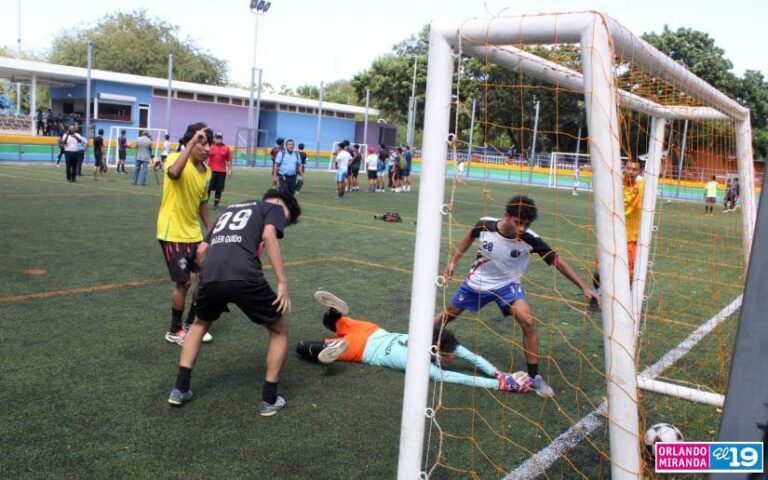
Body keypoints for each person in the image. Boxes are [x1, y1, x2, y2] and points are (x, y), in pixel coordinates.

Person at [435, 195, 598, 398]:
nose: (521, 228)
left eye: (526, 224)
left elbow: (557, 261)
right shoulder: (485, 225)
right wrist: (453, 262)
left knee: (528, 321)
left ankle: (534, 378)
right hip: (477, 283)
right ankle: (417, 339)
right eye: (518, 222)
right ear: (507, 216)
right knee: (448, 315)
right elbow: (469, 235)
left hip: (507, 285)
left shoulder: (530, 239)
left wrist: (583, 286)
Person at [167, 189, 302, 416]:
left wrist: (202, 280)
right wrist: (282, 281)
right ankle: (269, 400)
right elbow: (269, 235)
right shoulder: (274, 208)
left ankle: (180, 388)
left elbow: (202, 250)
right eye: (286, 220)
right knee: (279, 329)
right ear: (280, 203)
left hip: (211, 275)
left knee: (200, 324)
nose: (282, 226)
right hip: (245, 275)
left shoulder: (230, 209)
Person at [297, 291, 534, 392]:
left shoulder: (434, 338)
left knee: (331, 325)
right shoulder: (423, 366)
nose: (452, 357)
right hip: (361, 349)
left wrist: (499, 374)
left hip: (372, 331)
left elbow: (472, 357)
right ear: (435, 350)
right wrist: (500, 383)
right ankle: (331, 346)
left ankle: (334, 314)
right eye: (449, 355)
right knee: (303, 348)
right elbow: (461, 378)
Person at [157, 123, 214, 346]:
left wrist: (209, 229)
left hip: (193, 233)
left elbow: (202, 202)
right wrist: (190, 143)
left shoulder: (206, 171)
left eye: (209, 143)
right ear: (191, 143)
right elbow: (173, 173)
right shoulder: (174, 158)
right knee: (184, 283)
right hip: (172, 232)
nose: (207, 148)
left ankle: (191, 324)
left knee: (204, 280)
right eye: (203, 142)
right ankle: (174, 330)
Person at [590, 158, 643, 309]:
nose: (631, 172)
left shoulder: (643, 185)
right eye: (629, 168)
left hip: (631, 238)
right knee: (600, 270)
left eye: (635, 169)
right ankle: (596, 293)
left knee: (631, 275)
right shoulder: (615, 182)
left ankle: (626, 301)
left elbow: (659, 174)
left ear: (639, 171)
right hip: (609, 234)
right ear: (624, 168)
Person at [208, 132, 233, 209]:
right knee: (208, 189)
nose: (219, 139)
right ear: (214, 139)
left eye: (220, 138)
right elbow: (204, 157)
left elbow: (229, 160)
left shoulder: (226, 148)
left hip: (221, 172)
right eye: (217, 138)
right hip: (210, 171)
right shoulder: (210, 147)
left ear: (222, 139)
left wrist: (229, 170)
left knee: (219, 189)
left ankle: (216, 205)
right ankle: (204, 203)